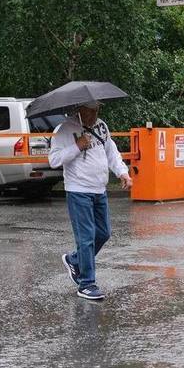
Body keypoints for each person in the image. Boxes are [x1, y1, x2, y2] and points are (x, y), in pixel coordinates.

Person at [49, 101, 132, 301]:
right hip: (78, 190)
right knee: (86, 238)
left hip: (99, 189)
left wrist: (123, 173)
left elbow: (111, 152)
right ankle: (87, 284)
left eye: (97, 110)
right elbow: (54, 160)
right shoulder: (64, 130)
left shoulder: (101, 126)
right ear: (79, 110)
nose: (94, 115)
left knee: (103, 233)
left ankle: (74, 260)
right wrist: (77, 146)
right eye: (90, 111)